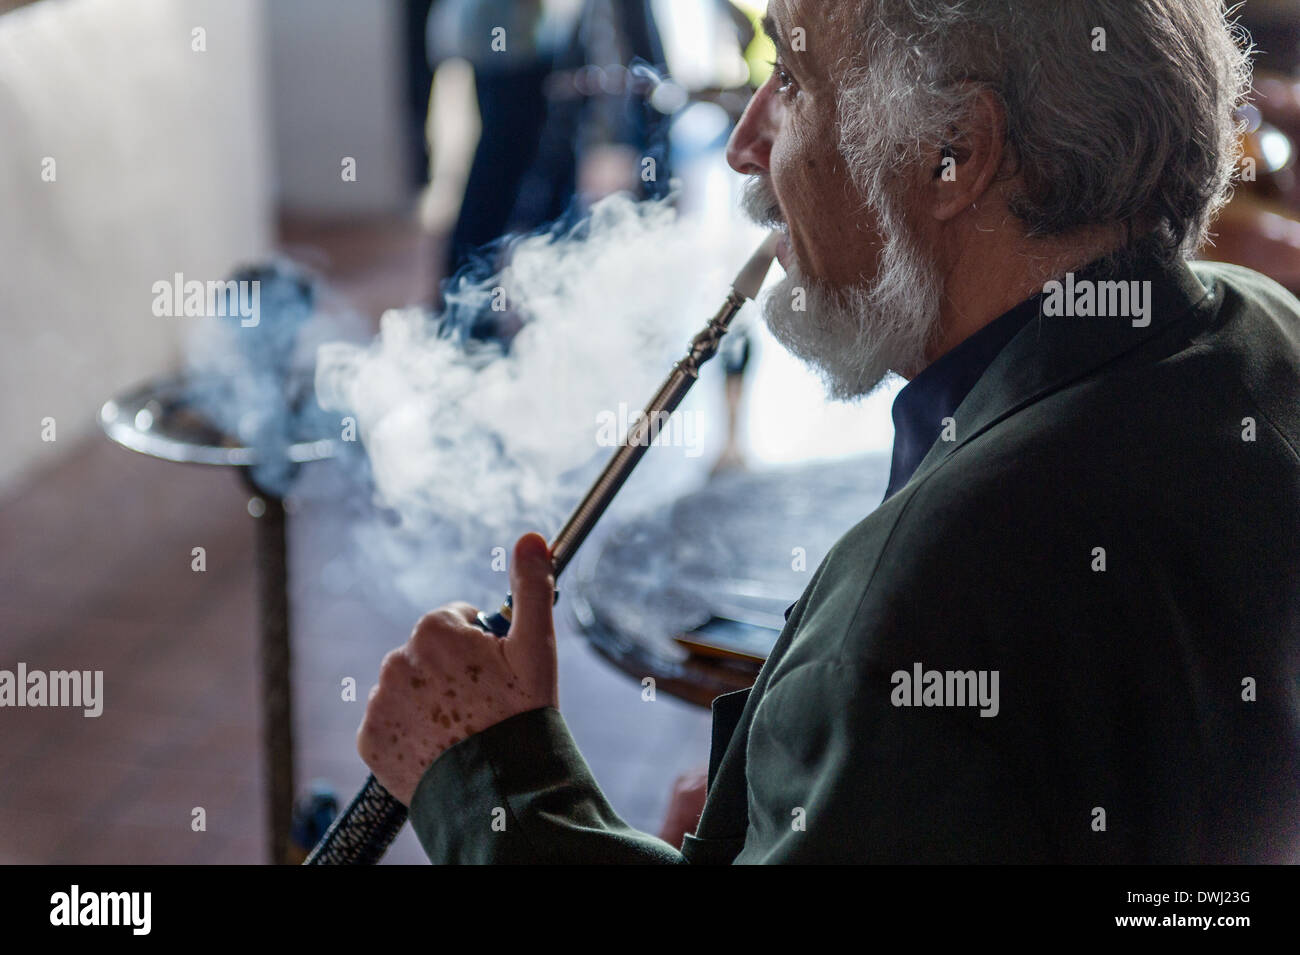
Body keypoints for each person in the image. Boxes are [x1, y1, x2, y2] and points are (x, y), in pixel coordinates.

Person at [359, 0, 1300, 863]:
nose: (743, 142)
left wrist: (495, 781)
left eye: (796, 81)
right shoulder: (1268, 327)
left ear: (953, 154)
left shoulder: (909, 610)